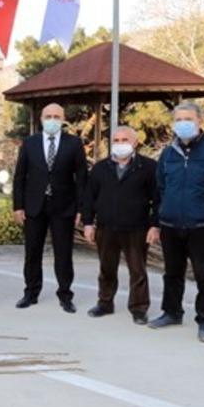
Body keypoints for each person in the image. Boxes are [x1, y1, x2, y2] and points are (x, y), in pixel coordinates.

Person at [149, 101, 204, 343]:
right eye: (178, 120)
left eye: (188, 119)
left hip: (202, 227)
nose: (183, 124)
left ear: (200, 121)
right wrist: (158, 220)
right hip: (170, 225)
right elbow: (161, 188)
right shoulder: (167, 154)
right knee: (172, 273)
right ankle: (171, 312)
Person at [12, 103, 88, 313]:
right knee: (32, 252)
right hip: (34, 206)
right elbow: (19, 176)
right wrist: (18, 206)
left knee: (63, 253)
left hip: (64, 206)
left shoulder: (74, 144)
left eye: (56, 116)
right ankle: (31, 293)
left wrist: (81, 208)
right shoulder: (30, 143)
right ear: (41, 119)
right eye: (48, 116)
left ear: (63, 120)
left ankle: (65, 294)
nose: (52, 120)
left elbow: (82, 178)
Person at [81, 125, 160, 324]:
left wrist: (155, 225)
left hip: (136, 228)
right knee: (107, 269)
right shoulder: (100, 168)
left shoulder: (149, 167)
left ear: (134, 143)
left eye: (124, 140)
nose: (119, 144)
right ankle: (105, 303)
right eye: (116, 140)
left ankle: (139, 308)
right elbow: (89, 198)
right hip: (106, 227)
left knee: (137, 270)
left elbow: (158, 199)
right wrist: (88, 223)